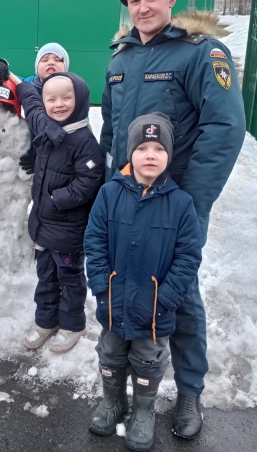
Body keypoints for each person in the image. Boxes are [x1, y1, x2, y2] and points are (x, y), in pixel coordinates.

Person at [100, 0, 246, 439]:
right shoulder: (120, 57)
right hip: (123, 202)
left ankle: (188, 393)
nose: (143, 7)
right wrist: (107, 193)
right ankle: (119, 394)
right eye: (134, 0)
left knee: (179, 296)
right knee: (122, 290)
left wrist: (192, 202)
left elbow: (224, 128)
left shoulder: (200, 53)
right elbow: (112, 131)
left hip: (173, 203)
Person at [84, 113, 202, 451]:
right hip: (114, 300)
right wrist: (101, 286)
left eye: (159, 149)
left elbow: (188, 256)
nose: (150, 155)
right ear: (130, 153)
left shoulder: (181, 204)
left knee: (149, 360)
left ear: (169, 156)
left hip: (155, 311)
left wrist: (165, 298)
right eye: (143, 148)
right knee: (110, 352)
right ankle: (113, 402)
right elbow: (94, 241)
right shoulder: (109, 194)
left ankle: (143, 411)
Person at [8, 70, 103, 353]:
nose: (57, 103)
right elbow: (31, 104)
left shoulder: (84, 140)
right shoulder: (46, 126)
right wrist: (14, 79)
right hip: (44, 227)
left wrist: (57, 199)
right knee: (45, 277)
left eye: (66, 97)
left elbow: (90, 179)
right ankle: (45, 321)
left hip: (69, 231)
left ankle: (73, 325)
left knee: (70, 280)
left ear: (81, 99)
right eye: (51, 99)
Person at [0, 43, 70, 173]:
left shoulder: (73, 91)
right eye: (44, 59)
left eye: (57, 59)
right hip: (28, 155)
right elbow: (9, 80)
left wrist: (44, 157)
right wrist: (0, 64)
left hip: (59, 162)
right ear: (37, 67)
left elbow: (75, 133)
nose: (51, 63)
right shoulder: (29, 84)